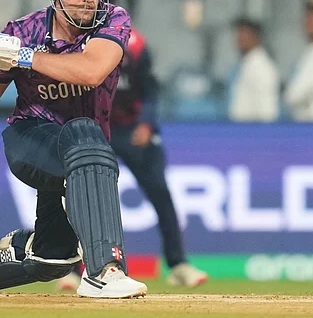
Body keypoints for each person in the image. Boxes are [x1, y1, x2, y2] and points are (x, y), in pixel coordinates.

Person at [0, 0, 148, 298]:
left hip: (83, 156)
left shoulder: (114, 20)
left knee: (54, 259)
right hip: (32, 140)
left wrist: (21, 56)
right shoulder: (23, 30)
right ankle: (105, 272)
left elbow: (91, 71)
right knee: (86, 134)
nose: (89, 0)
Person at [57, 27, 208, 291]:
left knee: (160, 194)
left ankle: (178, 265)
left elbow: (150, 89)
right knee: (81, 198)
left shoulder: (135, 45)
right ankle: (73, 270)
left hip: (132, 129)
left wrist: (147, 124)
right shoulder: (77, 43)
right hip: (95, 129)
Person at [228, 18, 280, 122]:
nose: (240, 39)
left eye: (244, 34)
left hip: (254, 133)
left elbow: (268, 111)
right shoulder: (247, 64)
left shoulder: (262, 67)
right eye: (239, 34)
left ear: (256, 37)